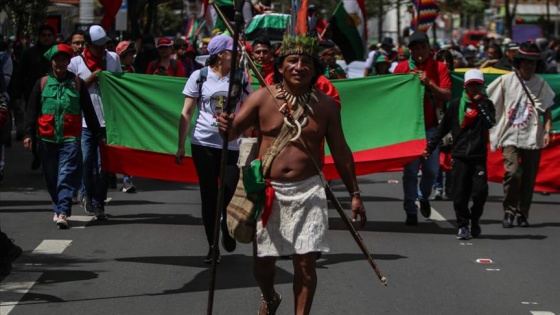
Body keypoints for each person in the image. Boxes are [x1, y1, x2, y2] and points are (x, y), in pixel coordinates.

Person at [218, 34, 366, 315]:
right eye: (292, 60)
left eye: (306, 62)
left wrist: (355, 194)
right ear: (281, 66)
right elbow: (233, 131)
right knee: (263, 265)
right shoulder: (262, 98)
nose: (299, 66)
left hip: (309, 191)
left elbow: (342, 152)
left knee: (305, 265)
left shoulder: (326, 106)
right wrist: (225, 124)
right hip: (269, 191)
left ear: (314, 68)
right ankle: (269, 296)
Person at [175, 35, 251, 263]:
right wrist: (181, 145)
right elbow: (187, 112)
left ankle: (226, 228)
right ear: (220, 54)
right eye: (232, 50)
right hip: (204, 145)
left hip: (232, 145)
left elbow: (248, 111)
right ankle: (212, 246)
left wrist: (248, 143)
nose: (236, 54)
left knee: (228, 194)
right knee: (208, 197)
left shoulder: (240, 77)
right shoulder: (199, 77)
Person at [23, 44, 103, 229]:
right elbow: (31, 110)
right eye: (56, 59)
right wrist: (28, 134)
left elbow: (88, 111)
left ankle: (63, 211)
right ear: (51, 62)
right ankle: (58, 206)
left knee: (65, 174)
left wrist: (98, 133)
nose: (60, 63)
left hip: (70, 138)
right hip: (46, 138)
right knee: (51, 177)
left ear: (68, 62)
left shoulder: (77, 83)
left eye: (64, 59)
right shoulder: (41, 83)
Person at [487, 41, 555, 228]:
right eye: (526, 62)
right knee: (513, 172)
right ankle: (509, 211)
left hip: (533, 136)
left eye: (533, 63)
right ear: (519, 62)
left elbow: (547, 109)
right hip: (509, 135)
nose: (529, 66)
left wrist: (547, 131)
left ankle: (522, 213)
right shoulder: (505, 81)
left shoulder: (541, 84)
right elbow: (490, 101)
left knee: (529, 178)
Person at [423, 69, 495, 239]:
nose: (475, 89)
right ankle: (463, 225)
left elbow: (490, 122)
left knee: (480, 193)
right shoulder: (456, 105)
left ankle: (475, 219)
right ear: (465, 86)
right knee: (459, 194)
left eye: (478, 85)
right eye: (471, 86)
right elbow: (443, 128)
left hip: (478, 157)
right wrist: (430, 147)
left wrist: (480, 105)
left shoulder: (487, 104)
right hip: (460, 156)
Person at [393, 31, 452, 225]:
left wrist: (429, 83)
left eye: (423, 47)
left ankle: (423, 196)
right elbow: (391, 96)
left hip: (431, 129)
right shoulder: (402, 68)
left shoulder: (440, 67)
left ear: (429, 49)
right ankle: (410, 209)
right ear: (410, 50)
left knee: (431, 171)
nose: (419, 51)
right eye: (415, 48)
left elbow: (447, 95)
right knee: (410, 172)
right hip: (409, 129)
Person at [68, 25, 122, 220]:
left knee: (104, 166)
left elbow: (120, 86)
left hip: (108, 123)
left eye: (104, 45)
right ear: (87, 45)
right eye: (97, 46)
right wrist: (92, 78)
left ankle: (99, 203)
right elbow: (71, 90)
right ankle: (87, 194)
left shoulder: (113, 59)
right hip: (85, 123)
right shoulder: (75, 63)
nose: (101, 49)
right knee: (85, 161)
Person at [19, 24, 56, 171]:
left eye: (49, 35)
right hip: (33, 96)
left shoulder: (57, 53)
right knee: (33, 126)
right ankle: (37, 154)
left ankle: (47, 154)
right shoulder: (29, 54)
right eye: (44, 35)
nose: (46, 38)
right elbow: (21, 74)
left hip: (53, 96)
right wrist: (17, 95)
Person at [115, 40, 138, 193]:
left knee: (128, 147)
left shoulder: (132, 69)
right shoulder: (113, 70)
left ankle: (127, 180)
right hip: (115, 113)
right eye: (130, 54)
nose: (132, 56)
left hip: (128, 114)